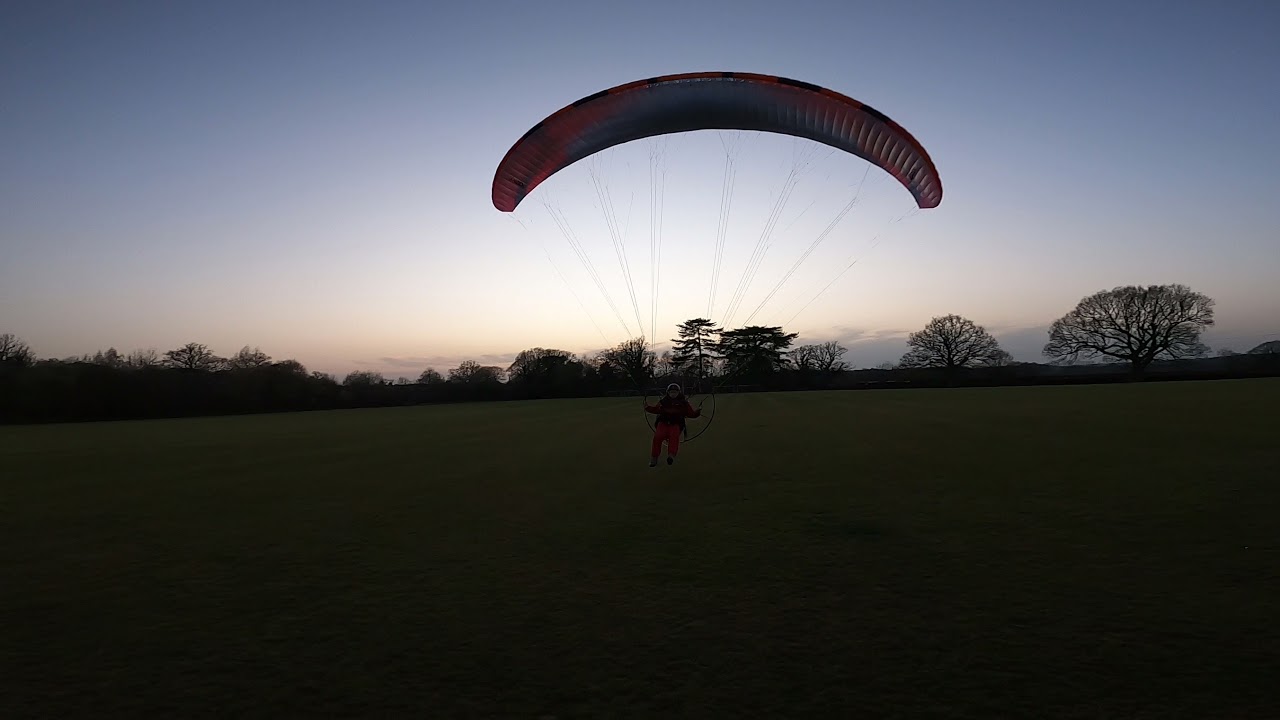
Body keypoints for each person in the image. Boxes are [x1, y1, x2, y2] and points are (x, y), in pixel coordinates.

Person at [644, 383, 702, 467]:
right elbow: (656, 410)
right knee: (658, 437)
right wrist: (647, 407)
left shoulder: (684, 403)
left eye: (675, 392)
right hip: (663, 423)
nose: (673, 394)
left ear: (679, 392)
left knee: (674, 438)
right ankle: (654, 458)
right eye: (671, 392)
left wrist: (698, 411)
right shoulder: (663, 402)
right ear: (668, 392)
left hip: (676, 424)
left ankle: (671, 456)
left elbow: (691, 414)